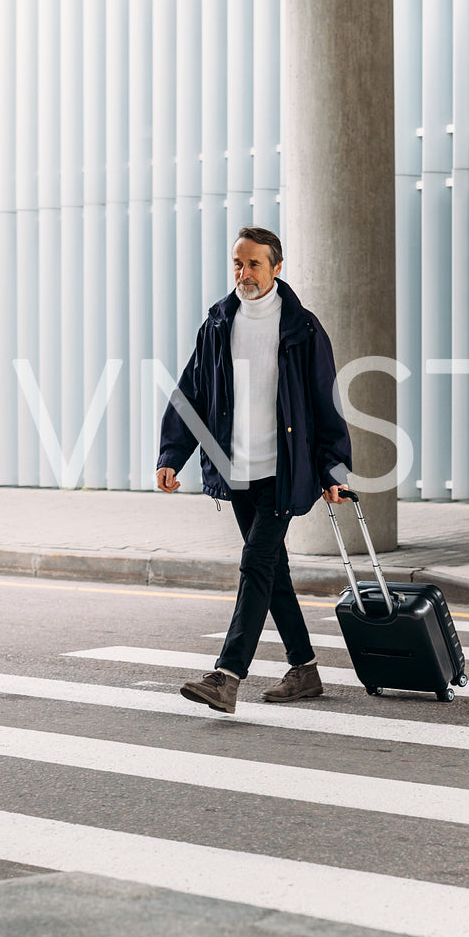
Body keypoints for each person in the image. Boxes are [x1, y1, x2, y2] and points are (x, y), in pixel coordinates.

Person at [156, 226, 352, 715]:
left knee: (255, 564)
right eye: (238, 264)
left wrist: (334, 470)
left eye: (254, 264)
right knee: (272, 569)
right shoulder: (219, 323)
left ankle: (226, 675)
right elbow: (192, 394)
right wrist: (170, 455)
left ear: (276, 267)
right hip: (233, 467)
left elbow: (325, 404)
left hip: (283, 472)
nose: (244, 273)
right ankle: (304, 668)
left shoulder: (302, 328)